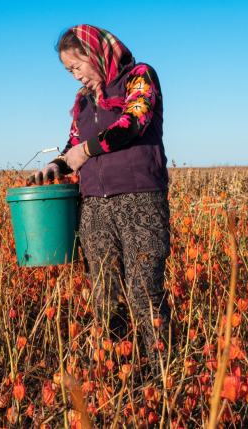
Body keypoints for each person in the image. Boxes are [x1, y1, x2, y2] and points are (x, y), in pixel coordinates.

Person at [28, 24, 171, 375]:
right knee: (104, 294)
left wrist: (85, 151)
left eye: (77, 67)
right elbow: (72, 145)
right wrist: (55, 165)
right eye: (69, 71)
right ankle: (115, 373)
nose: (75, 77)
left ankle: (162, 375)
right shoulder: (83, 101)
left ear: (96, 55)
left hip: (140, 200)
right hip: (93, 206)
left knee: (144, 291)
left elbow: (134, 121)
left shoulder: (138, 77)